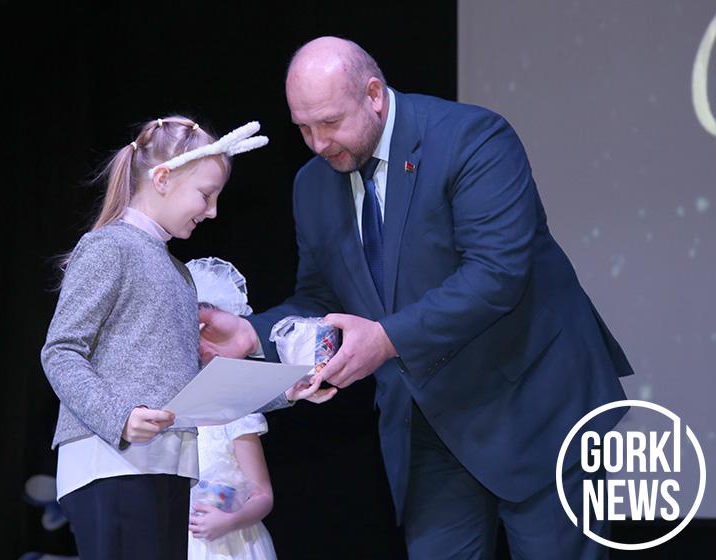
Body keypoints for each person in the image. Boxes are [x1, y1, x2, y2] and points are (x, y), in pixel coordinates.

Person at [198, 37, 634, 559]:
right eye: (303, 127)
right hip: (425, 423)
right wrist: (254, 334)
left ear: (373, 95)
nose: (317, 143)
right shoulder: (312, 186)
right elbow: (319, 297)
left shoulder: (472, 138)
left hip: (536, 406)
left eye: (330, 122)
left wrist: (385, 340)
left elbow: (496, 274)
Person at [40, 116, 329, 560]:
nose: (212, 211)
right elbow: (60, 352)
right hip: (110, 462)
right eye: (205, 194)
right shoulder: (109, 246)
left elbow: (195, 388)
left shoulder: (179, 274)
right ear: (162, 179)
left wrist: (284, 391)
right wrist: (119, 417)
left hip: (171, 466)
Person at [187, 414, 278, 559]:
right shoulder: (170, 417)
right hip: (176, 538)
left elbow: (263, 495)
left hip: (232, 541)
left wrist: (231, 521)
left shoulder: (236, 418)